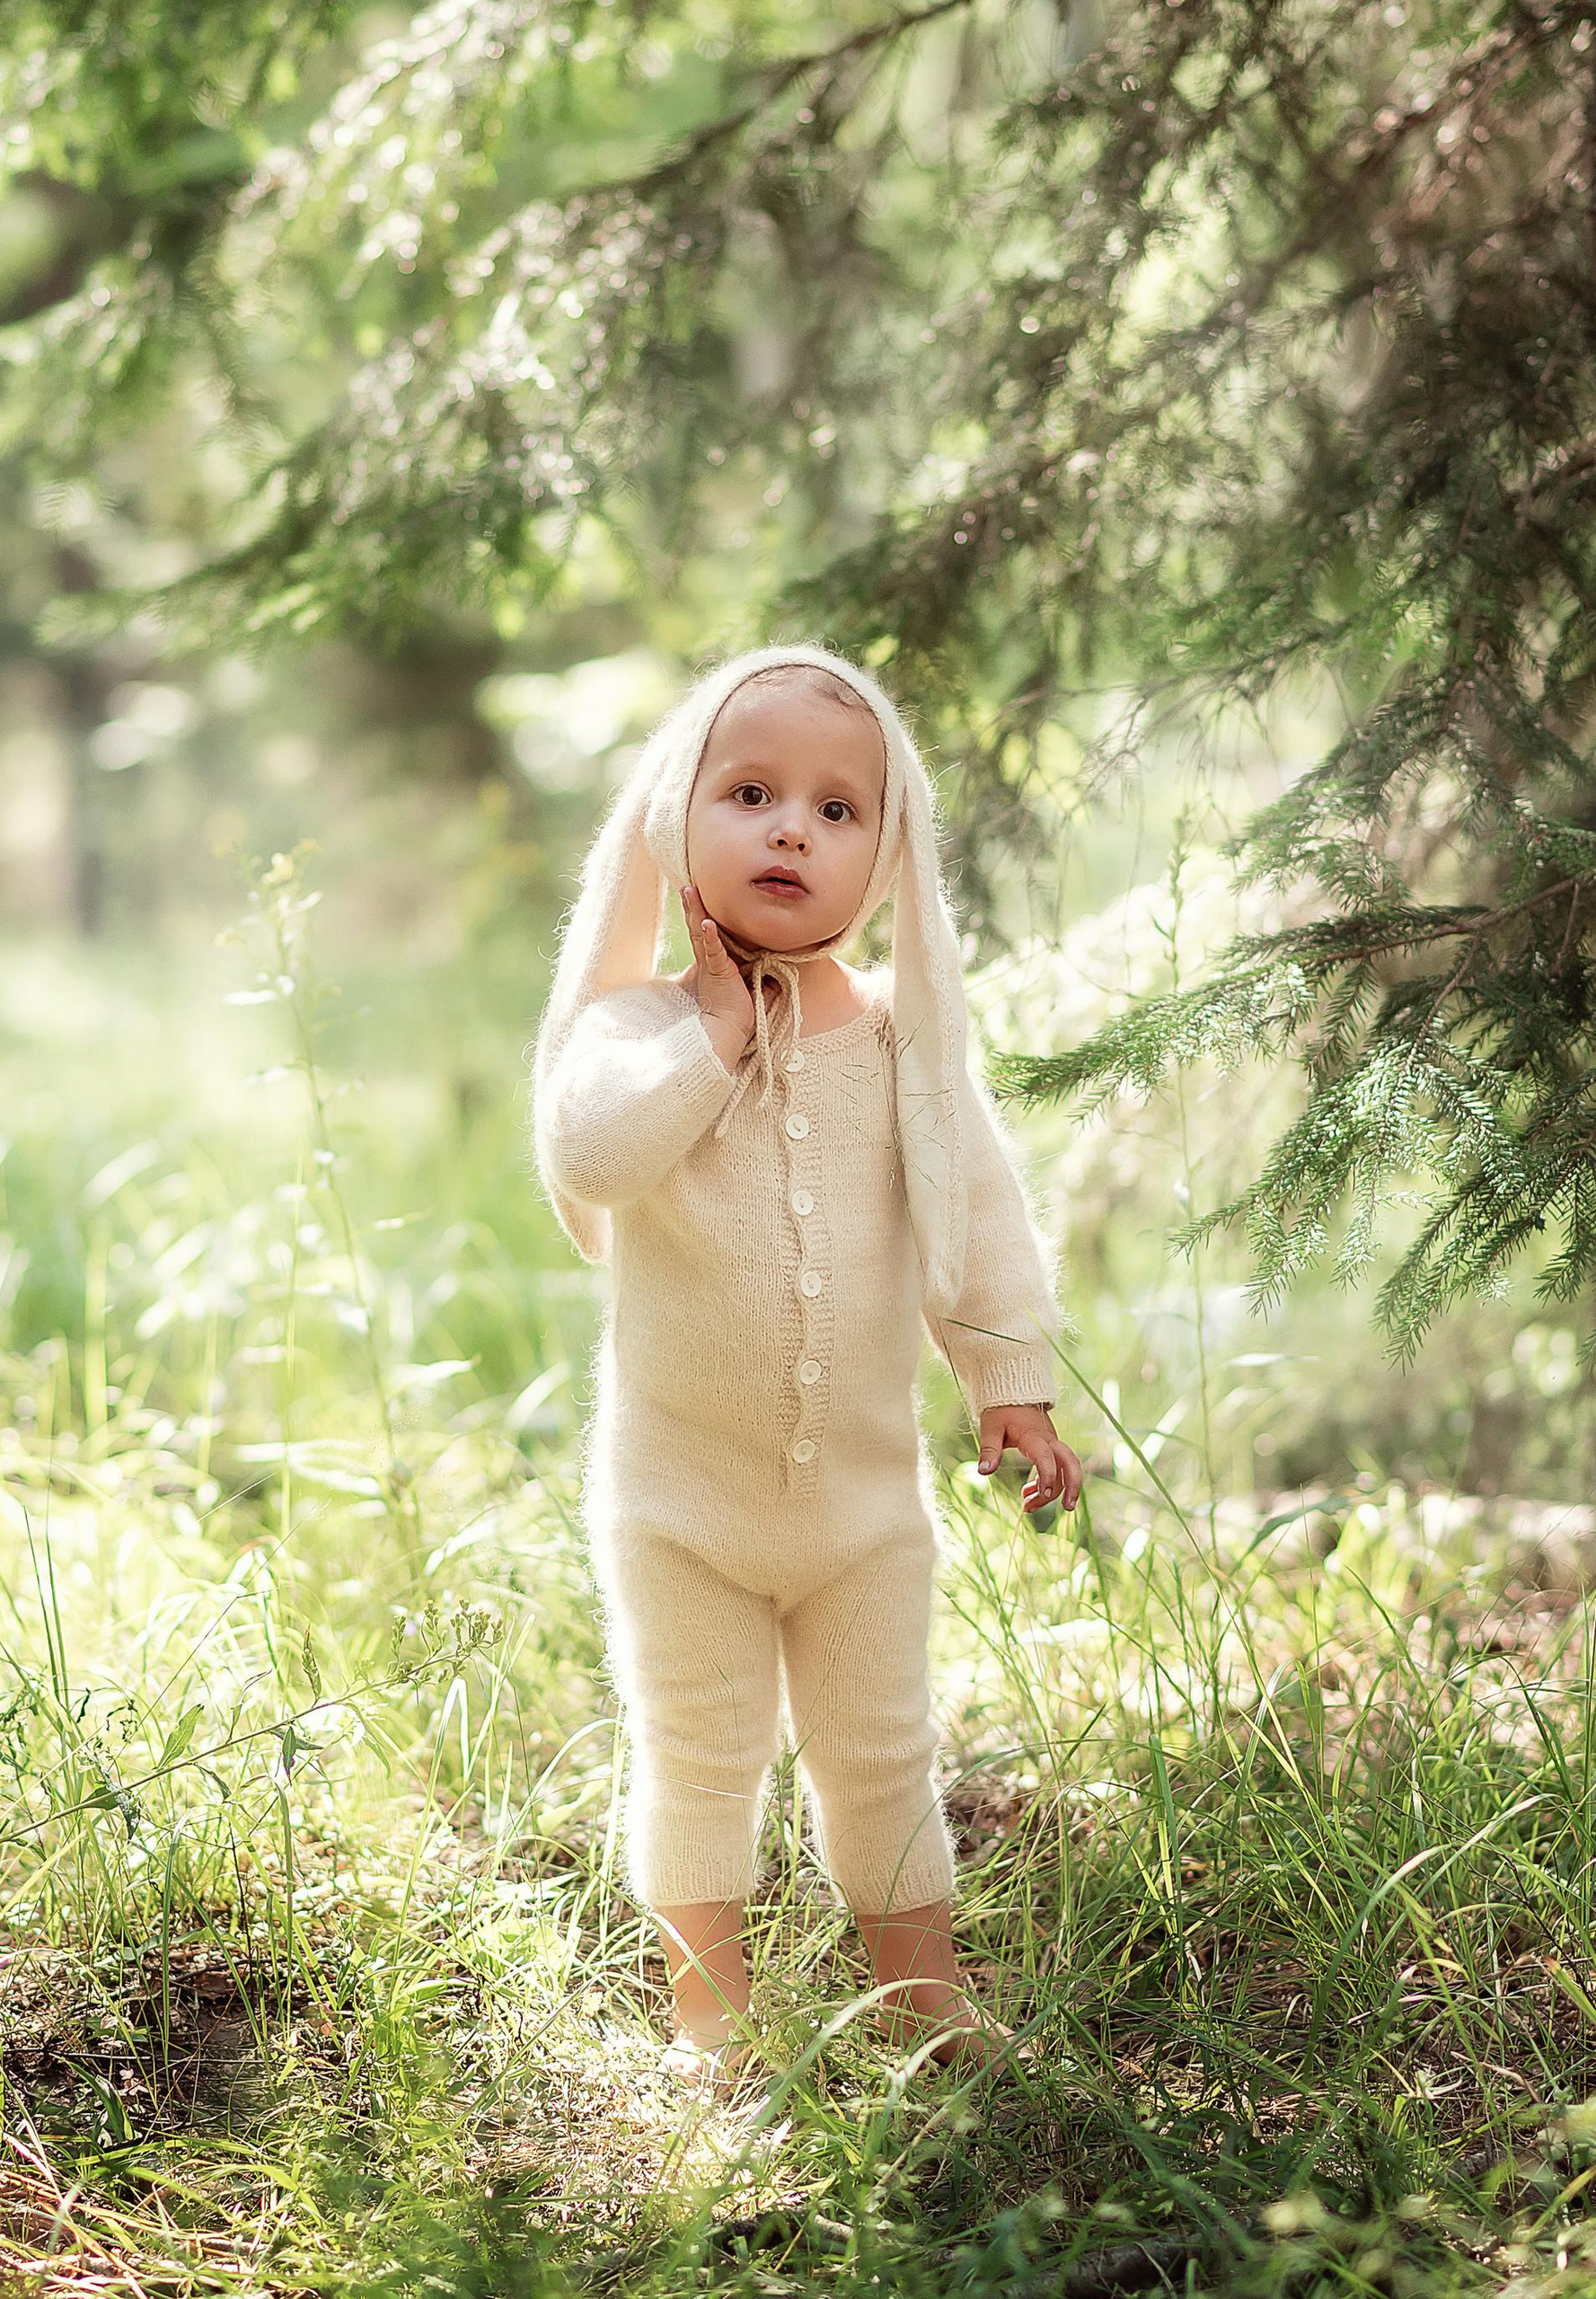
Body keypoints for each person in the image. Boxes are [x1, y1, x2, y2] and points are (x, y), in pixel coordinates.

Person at [529, 641, 1084, 2089]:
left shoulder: (907, 1045)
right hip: (678, 1506)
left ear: (889, 859)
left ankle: (924, 2002)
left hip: (859, 1510)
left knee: (883, 1750)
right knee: (701, 1753)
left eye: (841, 811)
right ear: (674, 821)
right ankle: (710, 2025)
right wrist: (712, 1032)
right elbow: (590, 1154)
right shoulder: (635, 1028)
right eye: (754, 791)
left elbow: (978, 1212)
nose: (793, 828)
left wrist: (1005, 1375)